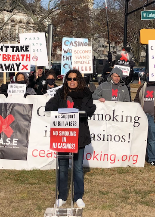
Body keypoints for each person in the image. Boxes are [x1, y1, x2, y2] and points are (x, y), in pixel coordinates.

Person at [45, 69, 96, 209]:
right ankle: (61, 196)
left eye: (74, 79)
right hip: (63, 135)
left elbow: (91, 108)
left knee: (78, 167)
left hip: (79, 135)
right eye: (69, 79)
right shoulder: (60, 93)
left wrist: (83, 112)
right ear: (66, 80)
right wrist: (53, 107)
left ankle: (78, 196)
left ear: (79, 80)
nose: (72, 81)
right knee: (62, 167)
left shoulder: (86, 93)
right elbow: (50, 106)